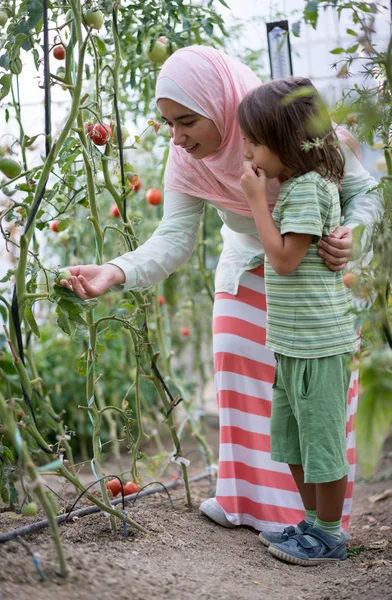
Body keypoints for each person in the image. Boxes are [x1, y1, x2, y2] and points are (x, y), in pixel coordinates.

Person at [60, 46, 382, 534]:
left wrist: (353, 236)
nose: (177, 137)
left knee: (315, 400)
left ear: (224, 106)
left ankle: (316, 522)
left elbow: (366, 192)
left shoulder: (297, 135)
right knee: (237, 363)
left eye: (187, 121)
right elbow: (173, 238)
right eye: (168, 123)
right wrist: (114, 271)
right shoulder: (187, 162)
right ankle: (246, 504)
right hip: (249, 259)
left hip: (319, 269)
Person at [238, 77, 358, 565]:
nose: (247, 153)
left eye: (253, 142)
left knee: (321, 442)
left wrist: (254, 200)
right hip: (293, 340)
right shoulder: (295, 187)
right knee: (293, 440)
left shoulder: (307, 189)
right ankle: (312, 524)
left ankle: (329, 536)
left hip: (317, 342)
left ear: (285, 141)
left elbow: (286, 260)